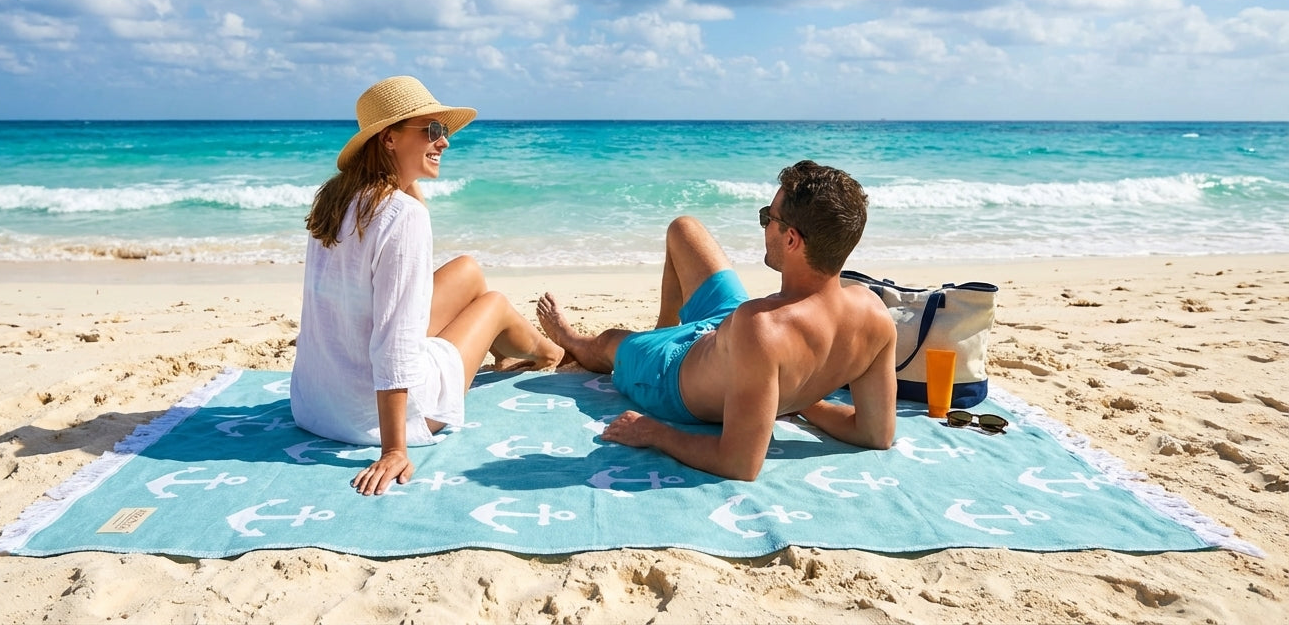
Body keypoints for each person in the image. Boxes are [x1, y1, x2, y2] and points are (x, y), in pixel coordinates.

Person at [536, 160, 896, 481]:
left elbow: (740, 464)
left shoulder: (763, 328)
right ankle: (664, 330)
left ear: (790, 239)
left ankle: (571, 340)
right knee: (684, 229)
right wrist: (804, 402)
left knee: (609, 341)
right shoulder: (874, 316)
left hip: (672, 376)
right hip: (733, 329)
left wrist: (655, 433)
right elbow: (874, 434)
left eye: (767, 218)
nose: (764, 226)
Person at [291, 75, 565, 496]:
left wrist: (406, 171)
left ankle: (513, 350)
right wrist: (394, 448)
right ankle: (553, 352)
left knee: (468, 270)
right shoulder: (401, 216)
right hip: (373, 416)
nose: (445, 142)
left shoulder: (338, 198)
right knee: (492, 302)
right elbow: (395, 340)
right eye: (433, 131)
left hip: (316, 403)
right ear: (388, 140)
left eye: (445, 130)